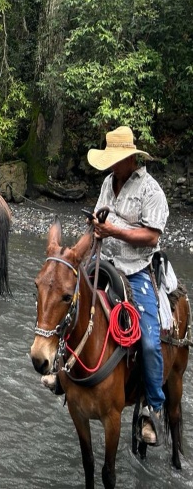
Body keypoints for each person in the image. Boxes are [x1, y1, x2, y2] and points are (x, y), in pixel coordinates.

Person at [88, 125, 169, 446]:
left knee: (149, 341)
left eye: (114, 159)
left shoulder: (151, 191)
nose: (110, 165)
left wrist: (113, 231)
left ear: (130, 158)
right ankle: (62, 369)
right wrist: (96, 226)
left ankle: (154, 408)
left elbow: (151, 236)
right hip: (104, 260)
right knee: (71, 299)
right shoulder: (109, 182)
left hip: (137, 269)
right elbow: (99, 215)